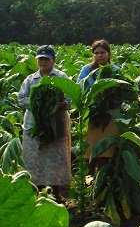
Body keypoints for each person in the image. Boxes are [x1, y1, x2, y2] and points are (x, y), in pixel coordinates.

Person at [18, 45, 71, 202]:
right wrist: (38, 104)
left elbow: (69, 99)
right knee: (35, 159)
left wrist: (56, 105)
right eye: (40, 59)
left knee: (56, 159)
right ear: (37, 61)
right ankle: (38, 192)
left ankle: (56, 194)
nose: (43, 61)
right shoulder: (30, 79)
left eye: (46, 58)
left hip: (56, 127)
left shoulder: (61, 77)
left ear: (53, 60)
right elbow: (21, 99)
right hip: (34, 126)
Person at [77, 39, 120, 171]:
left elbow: (121, 90)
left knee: (107, 150)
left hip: (110, 114)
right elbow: (80, 87)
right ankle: (89, 176)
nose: (99, 55)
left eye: (103, 52)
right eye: (96, 53)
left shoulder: (115, 70)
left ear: (109, 54)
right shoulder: (86, 70)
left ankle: (104, 175)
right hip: (92, 113)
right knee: (90, 147)